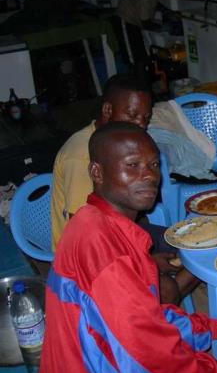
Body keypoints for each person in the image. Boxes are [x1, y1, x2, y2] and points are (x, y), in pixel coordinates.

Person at [37, 122, 217, 373]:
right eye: (133, 164)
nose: (149, 175)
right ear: (97, 173)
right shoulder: (106, 251)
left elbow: (148, 320)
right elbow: (147, 359)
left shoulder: (93, 224)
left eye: (153, 164)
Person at [50, 73, 198, 304]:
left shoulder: (119, 139)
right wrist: (143, 261)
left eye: (145, 117)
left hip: (129, 229)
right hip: (89, 261)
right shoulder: (81, 156)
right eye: (132, 115)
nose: (141, 124)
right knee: (170, 286)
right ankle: (162, 307)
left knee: (199, 240)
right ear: (108, 111)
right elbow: (88, 238)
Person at [116, 0, 177, 75]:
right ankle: (137, 82)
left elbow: (154, 2)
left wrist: (168, 12)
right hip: (125, 20)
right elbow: (146, 24)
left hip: (136, 19)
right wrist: (164, 28)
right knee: (134, 57)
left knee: (142, 55)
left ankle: (143, 79)